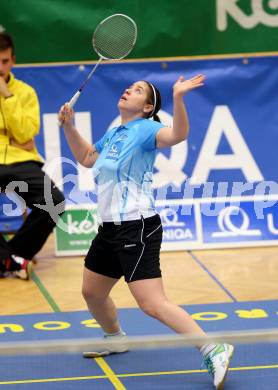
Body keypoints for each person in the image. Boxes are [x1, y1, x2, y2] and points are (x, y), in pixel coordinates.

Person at [59, 75, 234, 389]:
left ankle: (213, 348)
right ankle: (115, 338)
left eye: (138, 90)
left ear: (148, 107)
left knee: (152, 303)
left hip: (137, 227)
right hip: (110, 227)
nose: (128, 89)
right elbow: (88, 159)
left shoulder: (146, 129)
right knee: (93, 293)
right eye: (129, 87)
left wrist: (178, 98)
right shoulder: (115, 133)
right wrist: (69, 127)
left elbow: (178, 135)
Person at [0, 31, 65, 280]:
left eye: (5, 61)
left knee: (55, 201)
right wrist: (18, 137)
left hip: (22, 160)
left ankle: (10, 258)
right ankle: (12, 261)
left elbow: (26, 132)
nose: (1, 67)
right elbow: (21, 135)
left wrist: (7, 96)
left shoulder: (25, 93)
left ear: (13, 60)